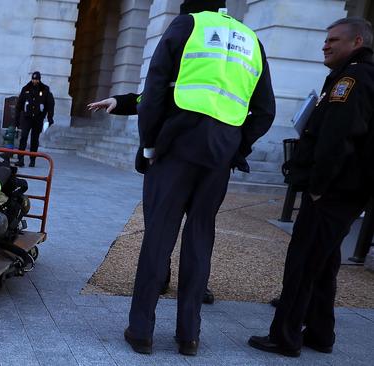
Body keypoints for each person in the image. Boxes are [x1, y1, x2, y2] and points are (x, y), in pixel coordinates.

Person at [114, 0, 276, 356]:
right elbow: (265, 111)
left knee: (159, 236)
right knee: (201, 238)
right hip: (220, 153)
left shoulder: (186, 25)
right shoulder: (251, 40)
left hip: (176, 145)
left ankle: (141, 330)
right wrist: (236, 147)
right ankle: (189, 335)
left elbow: (156, 88)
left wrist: (148, 145)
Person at [248, 17, 374, 357]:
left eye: (334, 40)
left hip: (332, 191)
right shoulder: (353, 76)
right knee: (324, 260)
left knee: (303, 262)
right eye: (325, 39)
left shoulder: (352, 80)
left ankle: (285, 337)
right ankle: (320, 331)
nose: (325, 45)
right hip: (344, 190)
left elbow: (338, 138)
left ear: (357, 42)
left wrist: (318, 186)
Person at [88, 93, 216, 306]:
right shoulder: (179, 65)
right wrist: (120, 102)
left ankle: (194, 284)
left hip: (194, 158)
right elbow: (149, 96)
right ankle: (161, 278)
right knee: (162, 226)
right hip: (174, 160)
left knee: (196, 229)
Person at [14, 71, 54, 167]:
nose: (35, 81)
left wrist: (50, 118)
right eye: (33, 79)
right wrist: (16, 119)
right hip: (27, 118)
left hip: (38, 118)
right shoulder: (26, 88)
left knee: (34, 140)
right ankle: (20, 159)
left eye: (36, 79)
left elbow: (50, 105)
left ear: (39, 79)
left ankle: (32, 160)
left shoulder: (45, 89)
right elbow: (19, 105)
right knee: (23, 137)